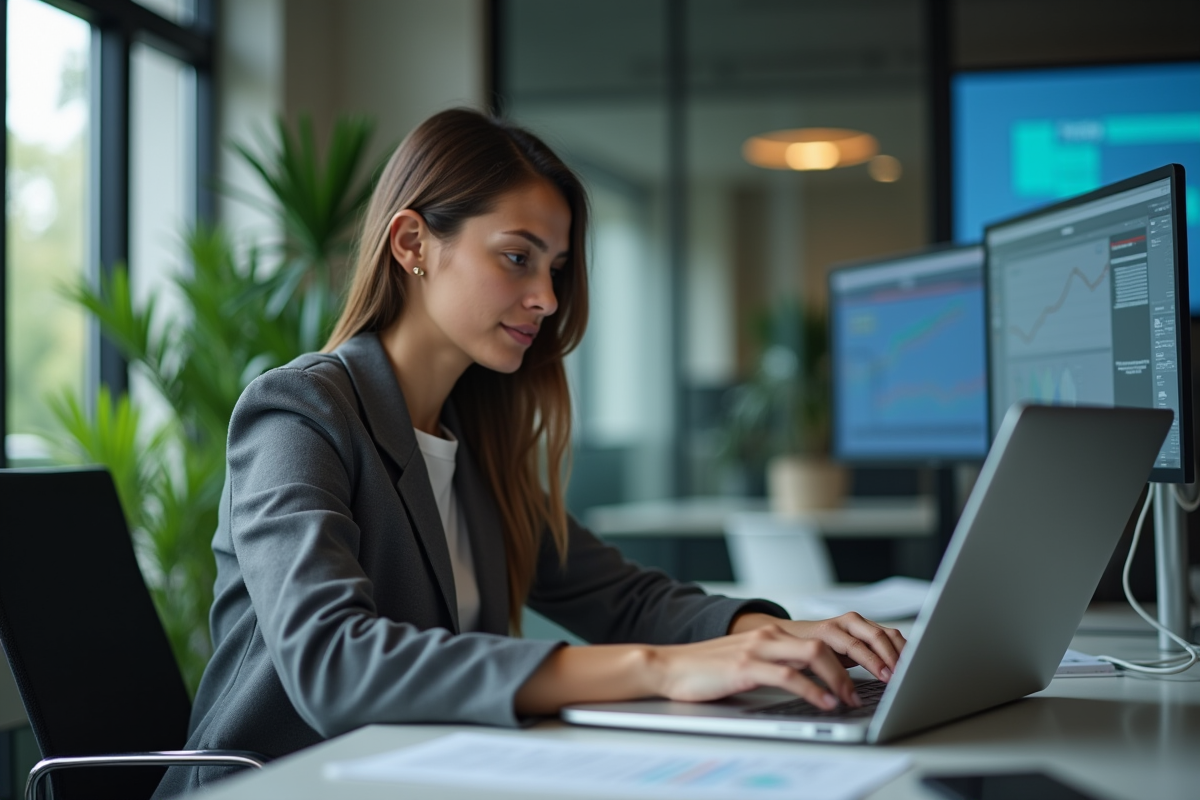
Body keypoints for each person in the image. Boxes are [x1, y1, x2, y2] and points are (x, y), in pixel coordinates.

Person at [154, 108, 906, 797]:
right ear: (413, 243)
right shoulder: (299, 412)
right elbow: (335, 662)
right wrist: (663, 669)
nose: (547, 298)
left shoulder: (472, 439)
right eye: (518, 258)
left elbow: (624, 598)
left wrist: (770, 637)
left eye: (555, 267)